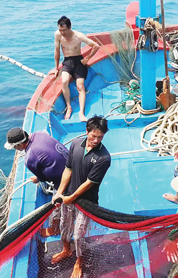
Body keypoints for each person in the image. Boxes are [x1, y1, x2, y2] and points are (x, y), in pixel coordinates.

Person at [51, 115, 111, 278]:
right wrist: (60, 193)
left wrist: (72, 198)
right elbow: (68, 170)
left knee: (78, 235)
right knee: (65, 227)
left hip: (87, 202)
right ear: (87, 131)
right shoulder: (75, 144)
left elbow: (89, 183)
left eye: (100, 137)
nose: (96, 140)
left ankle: (79, 261)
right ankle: (66, 250)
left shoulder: (104, 158)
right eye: (93, 135)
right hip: (68, 197)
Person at [4, 127, 69, 236]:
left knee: (57, 204)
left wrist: (38, 179)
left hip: (65, 179)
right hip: (72, 163)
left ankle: (55, 228)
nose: (15, 149)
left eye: (15, 147)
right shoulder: (39, 133)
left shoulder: (29, 158)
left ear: (19, 145)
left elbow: (44, 177)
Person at [50, 16, 100, 122]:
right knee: (64, 82)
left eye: (64, 30)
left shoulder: (78, 36)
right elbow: (57, 51)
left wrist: (87, 59)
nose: (62, 32)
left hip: (78, 62)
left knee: (80, 86)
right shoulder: (57, 35)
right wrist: (56, 68)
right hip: (67, 62)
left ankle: (81, 112)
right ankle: (69, 107)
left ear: (70, 27)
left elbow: (96, 46)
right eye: (60, 30)